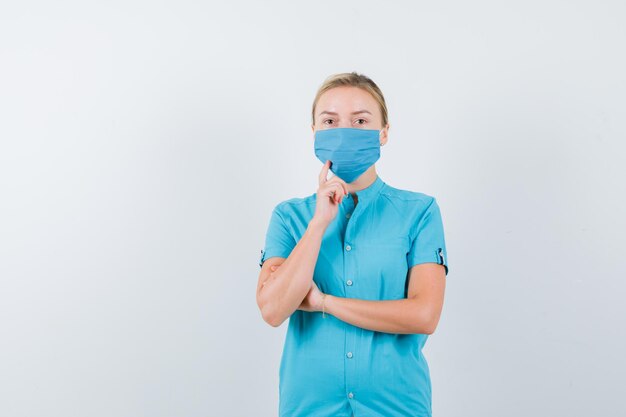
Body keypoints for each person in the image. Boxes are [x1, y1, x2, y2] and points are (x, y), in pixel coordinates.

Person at [256, 71, 449, 417]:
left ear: (384, 132)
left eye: (360, 120)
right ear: (313, 132)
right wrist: (318, 225)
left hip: (396, 407)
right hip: (309, 409)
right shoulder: (289, 218)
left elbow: (424, 314)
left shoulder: (419, 212)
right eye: (330, 121)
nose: (344, 131)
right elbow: (272, 309)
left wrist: (324, 302)